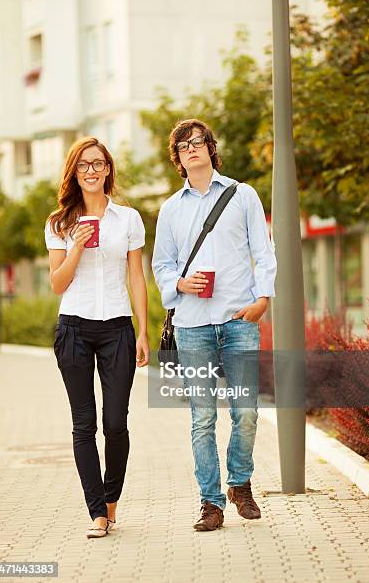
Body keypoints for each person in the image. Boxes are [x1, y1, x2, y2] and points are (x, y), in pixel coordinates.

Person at [152, 119, 277, 531]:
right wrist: (179, 284)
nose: (191, 149)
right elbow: (161, 265)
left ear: (210, 147)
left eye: (197, 141)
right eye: (183, 145)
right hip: (191, 326)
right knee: (203, 418)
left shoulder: (243, 196)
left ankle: (240, 483)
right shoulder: (171, 209)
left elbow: (263, 250)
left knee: (246, 412)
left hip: (239, 320)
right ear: (178, 158)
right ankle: (211, 502)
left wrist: (263, 299)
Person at [45, 137, 149, 539]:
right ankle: (97, 513)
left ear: (108, 170)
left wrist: (142, 330)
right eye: (84, 165)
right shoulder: (58, 223)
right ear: (74, 172)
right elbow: (57, 284)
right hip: (73, 326)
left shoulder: (129, 219)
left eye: (98, 164)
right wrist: (75, 248)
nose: (91, 170)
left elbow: (136, 276)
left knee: (115, 422)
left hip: (117, 329)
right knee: (83, 424)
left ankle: (111, 500)